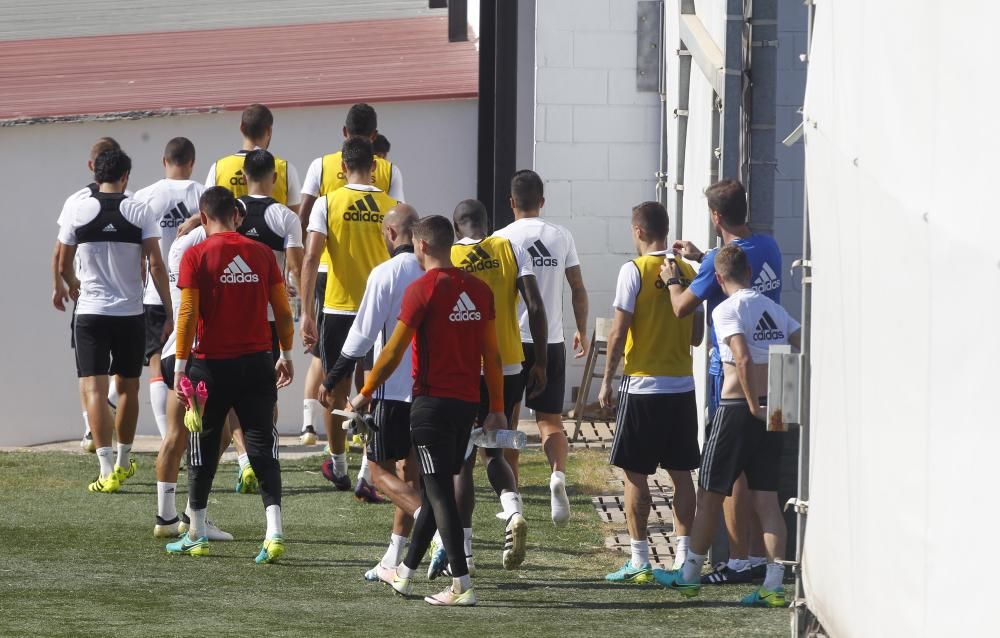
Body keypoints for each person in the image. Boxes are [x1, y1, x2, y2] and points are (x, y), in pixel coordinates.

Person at [349, 215, 506, 607]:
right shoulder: (479, 289)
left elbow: (392, 350)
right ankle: (405, 574)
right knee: (437, 492)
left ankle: (462, 585)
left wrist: (364, 392)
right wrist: (498, 408)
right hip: (466, 405)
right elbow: (494, 356)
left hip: (431, 406)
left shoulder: (422, 289)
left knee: (438, 495)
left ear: (420, 246)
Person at [654, 244, 800, 608]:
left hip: (739, 408)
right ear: (749, 273)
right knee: (768, 500)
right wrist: (783, 400)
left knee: (709, 494)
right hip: (775, 409)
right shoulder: (776, 309)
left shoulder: (725, 310)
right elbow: (800, 348)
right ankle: (773, 584)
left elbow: (743, 356)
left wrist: (752, 404)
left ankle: (688, 577)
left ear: (719, 279)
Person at [660, 179, 783, 584]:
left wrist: (673, 277)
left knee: (725, 475)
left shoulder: (718, 262)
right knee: (762, 480)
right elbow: (733, 272)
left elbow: (681, 308)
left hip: (731, 382)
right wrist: (703, 259)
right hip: (773, 378)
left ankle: (735, 558)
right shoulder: (770, 247)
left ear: (715, 217)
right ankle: (768, 571)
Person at [165, 186, 294, 563]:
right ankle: (274, 532)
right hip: (257, 362)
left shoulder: (195, 254)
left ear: (203, 219)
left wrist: (178, 367)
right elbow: (283, 311)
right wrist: (285, 354)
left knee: (202, 447)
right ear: (237, 216)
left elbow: (187, 315)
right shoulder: (262, 253)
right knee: (263, 448)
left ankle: (197, 532)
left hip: (210, 366)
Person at [429, 198, 548, 576]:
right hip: (510, 363)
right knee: (495, 451)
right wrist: (541, 360)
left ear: (455, 225)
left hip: (467, 369)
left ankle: (463, 554)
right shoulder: (509, 247)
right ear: (488, 223)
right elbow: (536, 304)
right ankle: (513, 511)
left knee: (463, 461)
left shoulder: (450, 257)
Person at [597, 202, 703, 584]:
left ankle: (639, 559)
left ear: (638, 231)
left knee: (635, 476)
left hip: (642, 385)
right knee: (682, 475)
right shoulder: (689, 270)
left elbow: (618, 330)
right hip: (681, 386)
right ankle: (683, 558)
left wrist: (606, 380)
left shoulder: (634, 270)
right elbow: (696, 335)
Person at [57, 148, 173, 493]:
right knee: (128, 388)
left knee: (93, 388)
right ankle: (123, 461)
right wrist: (167, 308)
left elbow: (63, 262)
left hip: (91, 312)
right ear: (126, 176)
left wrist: (73, 285)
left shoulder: (77, 208)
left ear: (96, 175)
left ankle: (106, 469)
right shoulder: (139, 209)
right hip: (130, 313)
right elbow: (155, 263)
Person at [320, 204, 424, 574]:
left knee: (379, 474)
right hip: (429, 391)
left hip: (391, 390)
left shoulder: (387, 272)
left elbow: (360, 336)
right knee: (410, 476)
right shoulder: (436, 270)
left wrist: (332, 379)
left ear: (392, 234)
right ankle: (393, 559)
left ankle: (439, 531)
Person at [297, 103, 405, 452]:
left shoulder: (325, 192)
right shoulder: (391, 183)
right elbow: (399, 243)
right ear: (374, 162)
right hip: (380, 301)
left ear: (343, 165)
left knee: (334, 381)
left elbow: (311, 254)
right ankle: (369, 453)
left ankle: (337, 457)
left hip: (336, 294)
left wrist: (306, 311)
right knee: (375, 380)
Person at [495, 169, 589, 526]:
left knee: (508, 421)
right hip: (551, 339)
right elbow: (578, 288)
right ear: (542, 202)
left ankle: (513, 501)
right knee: (550, 422)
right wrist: (581, 329)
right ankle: (558, 476)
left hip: (512, 341)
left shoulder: (501, 238)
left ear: (511, 203)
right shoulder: (560, 235)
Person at [153, 222, 235, 542]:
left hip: (177, 352)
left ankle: (171, 516)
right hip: (190, 355)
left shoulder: (180, 248)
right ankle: (188, 515)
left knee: (202, 436)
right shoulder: (196, 254)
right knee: (206, 437)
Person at [233, 149, 303, 493]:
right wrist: (301, 312)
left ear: (243, 176)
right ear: (275, 179)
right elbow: (295, 269)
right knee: (267, 394)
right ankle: (264, 459)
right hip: (271, 317)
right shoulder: (284, 217)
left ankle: (244, 458)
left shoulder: (232, 212)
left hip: (231, 316)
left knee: (231, 394)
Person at [52, 137, 124, 453]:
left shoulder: (75, 202)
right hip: (125, 299)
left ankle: (90, 428)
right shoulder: (129, 198)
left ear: (91, 166)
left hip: (88, 296)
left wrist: (62, 285)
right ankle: (103, 423)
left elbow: (60, 252)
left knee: (88, 369)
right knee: (125, 370)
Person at [132, 137, 202, 441]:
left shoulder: (145, 196)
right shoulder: (203, 194)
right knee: (194, 357)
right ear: (192, 162)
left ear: (164, 161)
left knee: (157, 361)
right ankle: (193, 431)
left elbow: (137, 245)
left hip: (156, 292)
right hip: (194, 291)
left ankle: (168, 437)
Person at [203, 103, 302, 212]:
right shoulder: (286, 169)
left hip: (232, 229)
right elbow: (294, 217)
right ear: (269, 130)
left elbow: (207, 212)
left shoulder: (218, 168)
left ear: (241, 127)